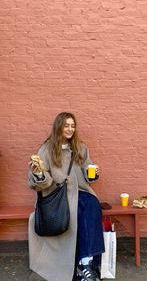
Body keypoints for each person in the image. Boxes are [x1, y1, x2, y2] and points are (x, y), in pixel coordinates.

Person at [28, 112, 105, 281]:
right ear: (59, 127)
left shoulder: (81, 148)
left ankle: (85, 263)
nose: (70, 129)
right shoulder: (46, 150)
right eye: (66, 126)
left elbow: (87, 171)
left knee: (92, 204)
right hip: (58, 197)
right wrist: (39, 174)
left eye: (73, 126)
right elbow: (38, 181)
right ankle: (85, 266)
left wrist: (92, 174)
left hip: (80, 192)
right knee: (79, 211)